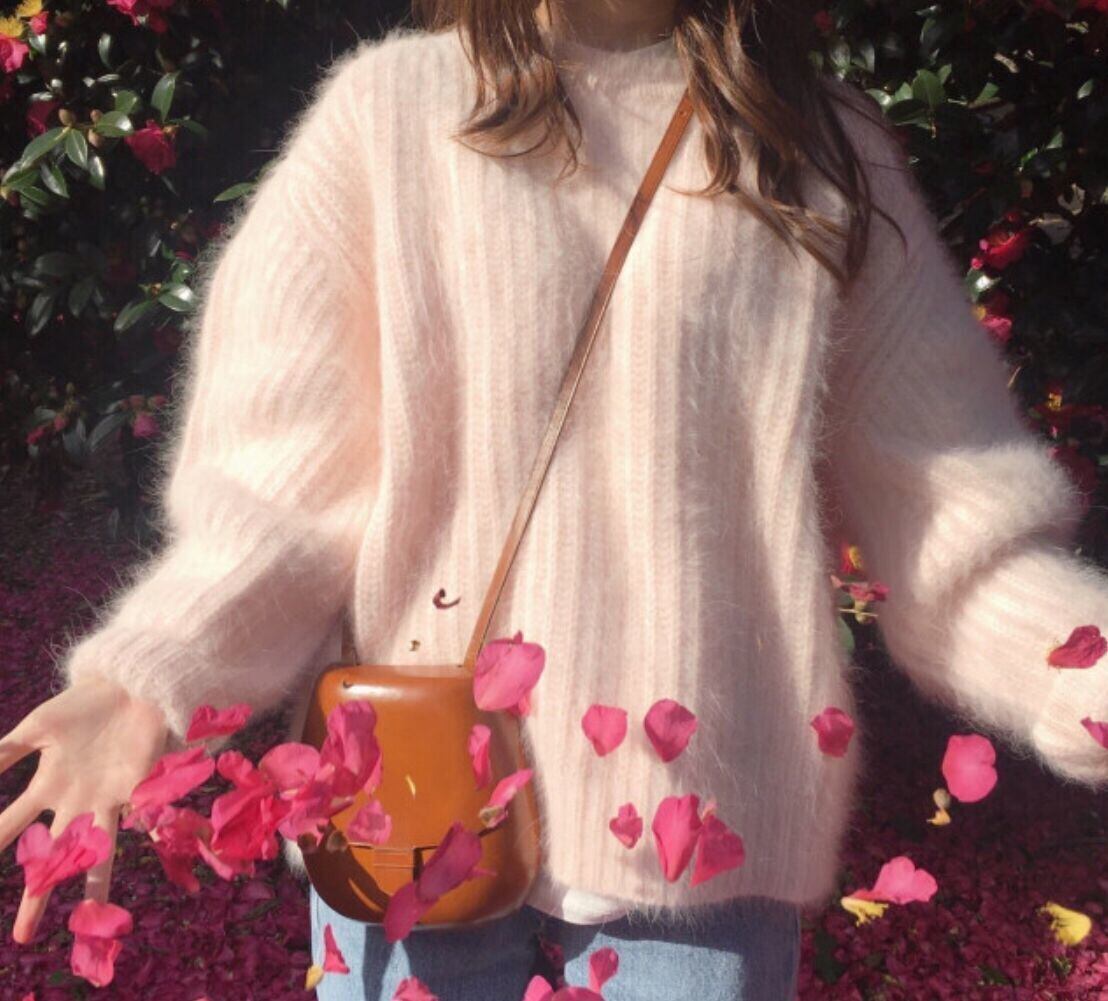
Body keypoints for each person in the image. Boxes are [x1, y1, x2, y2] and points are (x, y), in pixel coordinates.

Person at [2, 0, 1107, 999]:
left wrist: (1080, 671)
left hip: (701, 820)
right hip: (410, 805)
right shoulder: (386, 117)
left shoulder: (818, 150)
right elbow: (278, 482)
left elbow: (946, 500)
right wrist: (149, 675)